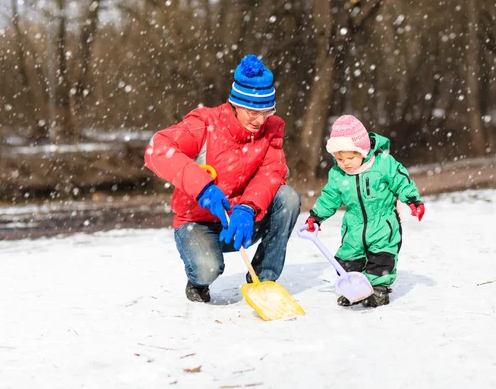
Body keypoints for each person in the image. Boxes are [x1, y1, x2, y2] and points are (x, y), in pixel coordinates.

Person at [144, 55, 301, 303]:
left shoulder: (270, 130)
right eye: (251, 111)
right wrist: (203, 188)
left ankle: (264, 280)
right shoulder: (204, 124)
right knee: (208, 269)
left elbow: (271, 172)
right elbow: (158, 149)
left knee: (288, 198)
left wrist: (248, 208)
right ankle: (198, 280)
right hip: (198, 222)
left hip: (242, 220)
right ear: (235, 103)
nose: (259, 120)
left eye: (266, 111)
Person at [305, 115, 425, 308]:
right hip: (353, 225)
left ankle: (378, 290)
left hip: (382, 222)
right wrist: (316, 217)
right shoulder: (338, 174)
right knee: (347, 261)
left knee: (381, 259)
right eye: (339, 158)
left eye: (351, 157)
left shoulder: (383, 164)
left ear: (363, 150)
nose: (345, 163)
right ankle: (356, 290)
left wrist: (412, 200)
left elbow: (401, 181)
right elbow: (329, 197)